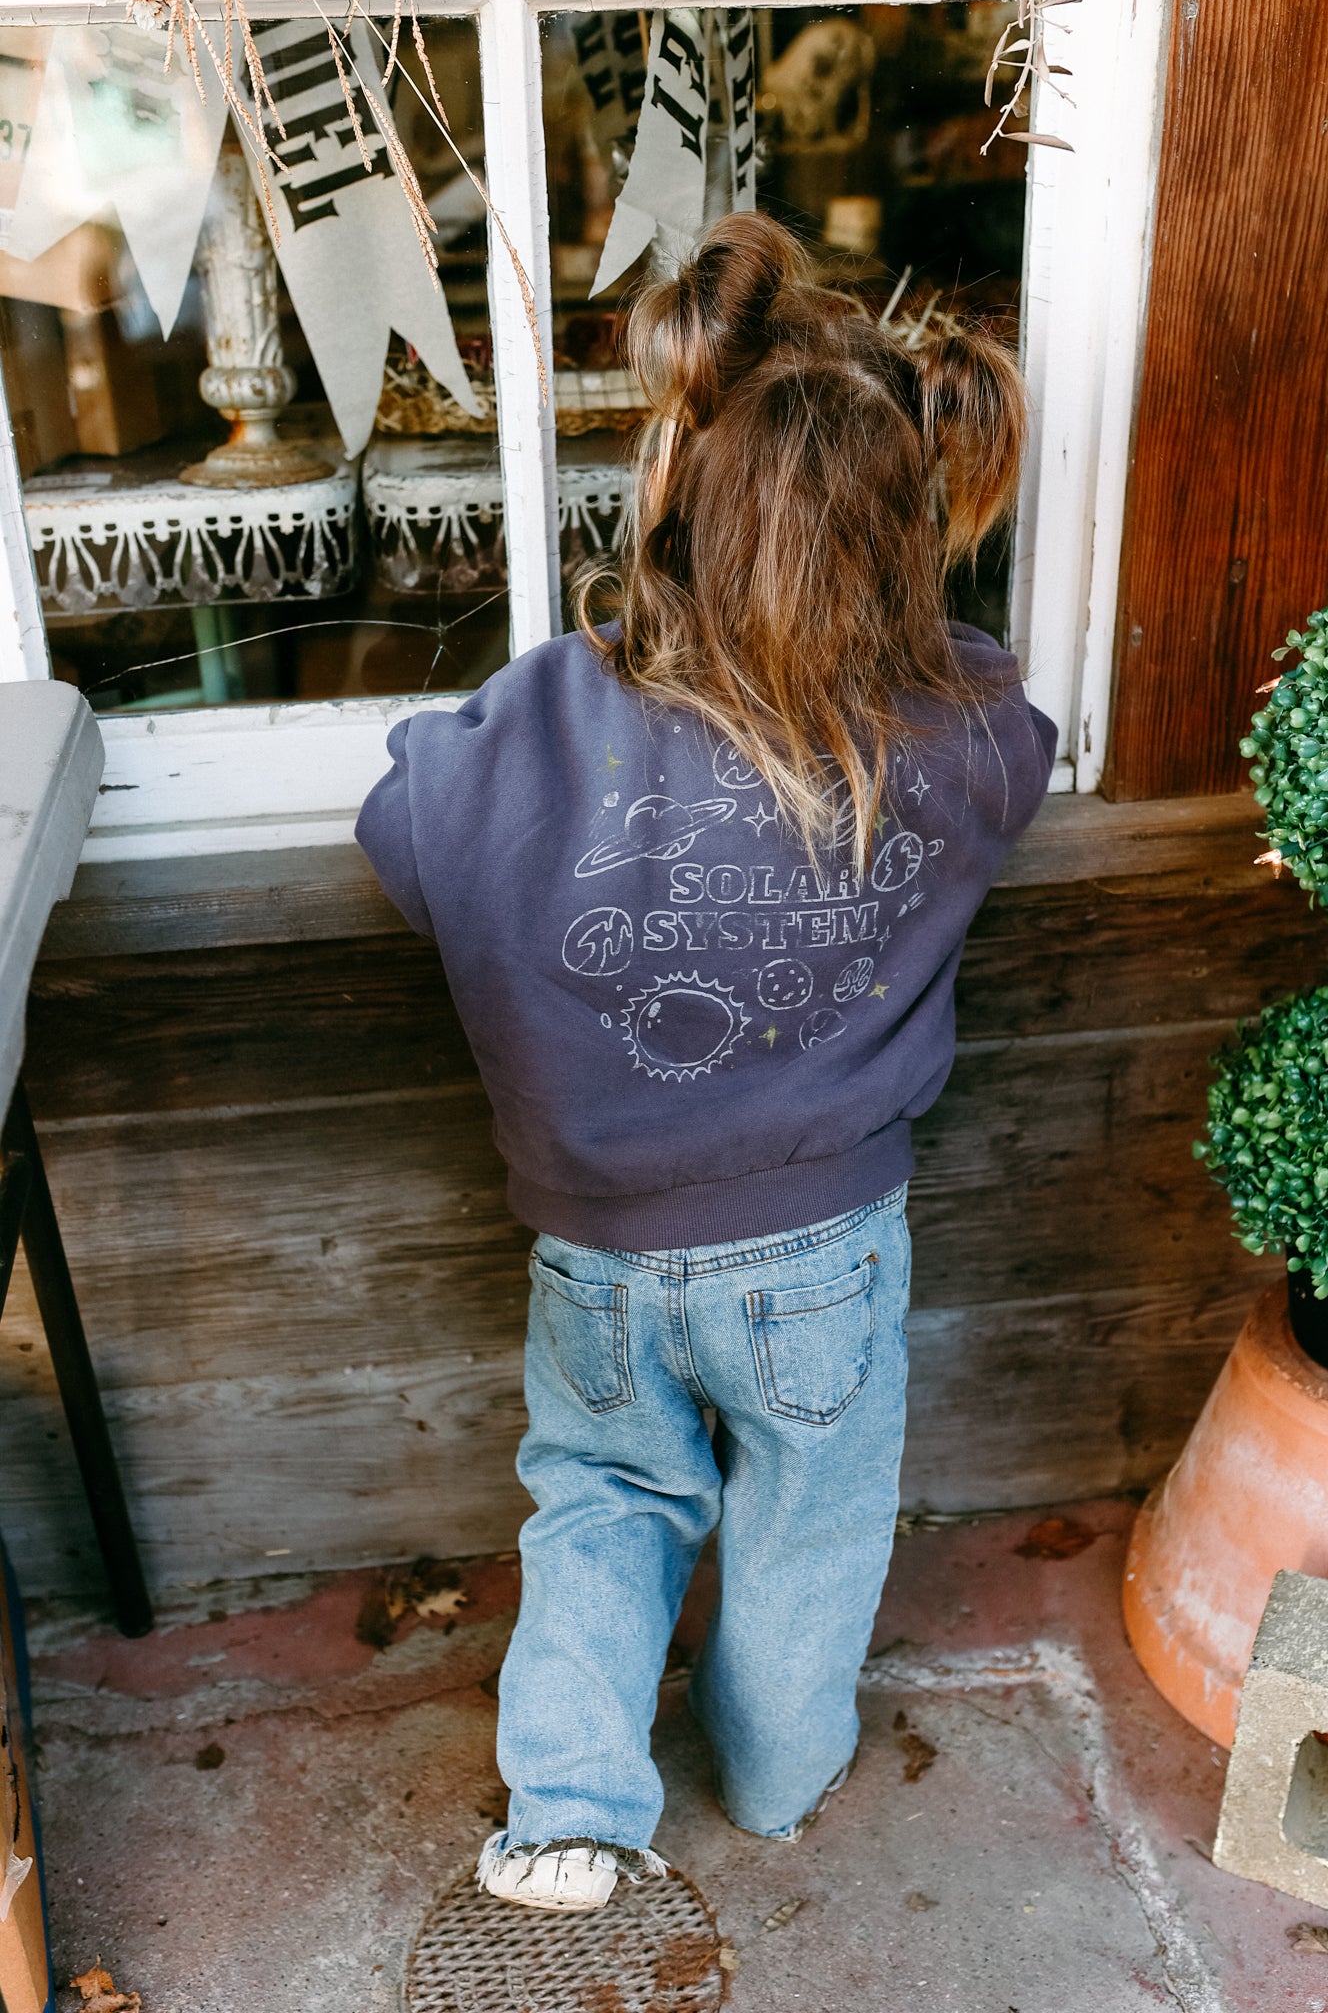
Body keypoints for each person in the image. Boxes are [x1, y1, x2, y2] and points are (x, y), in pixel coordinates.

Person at [356, 211, 1056, 1913]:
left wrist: (571, 684)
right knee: (811, 1524)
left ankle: (575, 1811)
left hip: (596, 1253)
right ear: (912, 536)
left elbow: (399, 816)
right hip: (822, 1258)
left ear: (668, 502)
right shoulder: (954, 738)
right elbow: (1017, 724)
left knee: (599, 1503)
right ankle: (778, 1772)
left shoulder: (547, 718)